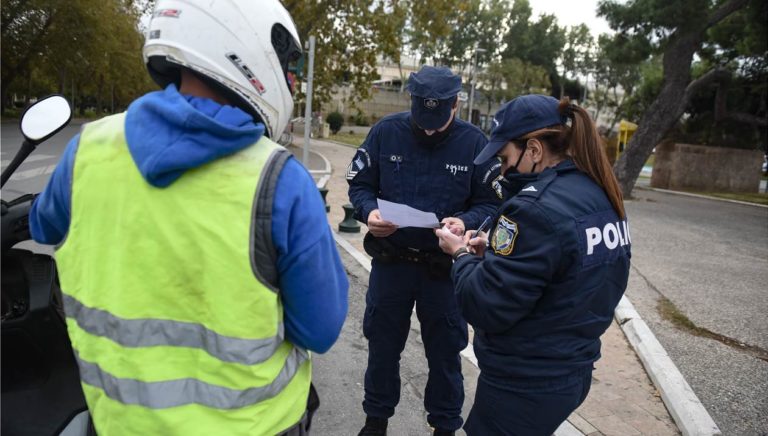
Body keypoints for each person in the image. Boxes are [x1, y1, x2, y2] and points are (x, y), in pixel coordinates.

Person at [29, 1, 348, 434]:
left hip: (120, 422)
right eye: (287, 64)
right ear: (247, 48)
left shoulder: (87, 151)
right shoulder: (280, 181)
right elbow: (320, 328)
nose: (290, 78)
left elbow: (42, 226)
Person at [435, 94, 631, 435]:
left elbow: (484, 305)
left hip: (524, 383)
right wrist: (493, 259)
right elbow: (567, 274)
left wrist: (461, 255)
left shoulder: (532, 209)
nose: (502, 169)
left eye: (505, 157)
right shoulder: (599, 194)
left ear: (535, 150)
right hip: (572, 369)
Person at [347, 65, 502, 436]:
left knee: (446, 353)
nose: (430, 127)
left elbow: (491, 202)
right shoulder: (386, 132)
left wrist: (465, 222)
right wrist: (369, 213)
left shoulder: (475, 143)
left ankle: (445, 426)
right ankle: (376, 420)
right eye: (423, 117)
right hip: (392, 262)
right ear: (411, 101)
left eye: (439, 118)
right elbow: (360, 184)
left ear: (456, 103)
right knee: (382, 346)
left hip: (444, 271)